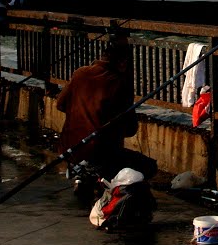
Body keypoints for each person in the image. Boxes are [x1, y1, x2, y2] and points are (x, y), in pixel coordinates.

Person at [55, 35, 157, 190]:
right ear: (123, 63)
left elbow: (60, 105)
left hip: (69, 149)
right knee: (150, 167)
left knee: (99, 157)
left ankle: (85, 175)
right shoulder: (118, 82)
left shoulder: (80, 73)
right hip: (100, 152)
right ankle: (102, 181)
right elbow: (130, 129)